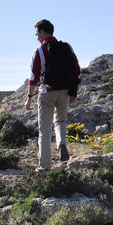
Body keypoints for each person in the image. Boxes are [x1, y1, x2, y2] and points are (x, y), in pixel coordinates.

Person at [24, 19, 81, 170]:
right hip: (65, 91)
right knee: (61, 120)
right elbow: (77, 70)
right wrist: (73, 91)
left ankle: (45, 166)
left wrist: (29, 98)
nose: (36, 37)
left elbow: (33, 77)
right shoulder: (67, 47)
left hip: (46, 92)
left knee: (44, 131)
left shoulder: (39, 52)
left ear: (43, 32)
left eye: (37, 34)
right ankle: (62, 143)